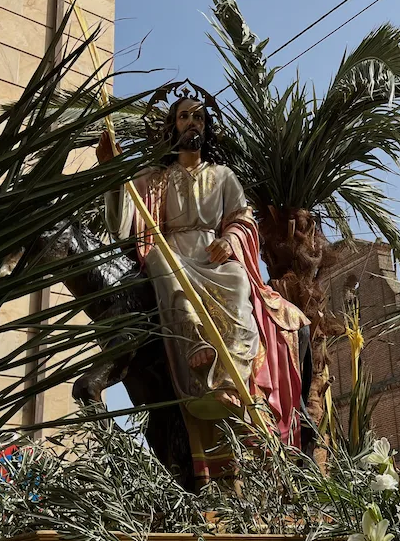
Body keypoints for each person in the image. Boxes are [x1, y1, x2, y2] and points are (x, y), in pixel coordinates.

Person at [98, 92, 309, 486]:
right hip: (171, 250)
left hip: (213, 255)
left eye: (198, 118)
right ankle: (197, 345)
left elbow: (243, 219)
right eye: (183, 117)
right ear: (172, 126)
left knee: (236, 280)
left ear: (206, 127)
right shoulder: (155, 177)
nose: (191, 123)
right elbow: (122, 220)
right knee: (166, 267)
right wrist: (112, 170)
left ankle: (232, 378)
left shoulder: (223, 176)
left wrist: (229, 239)